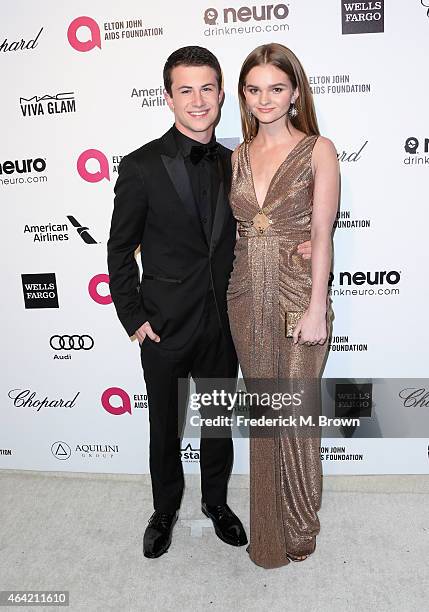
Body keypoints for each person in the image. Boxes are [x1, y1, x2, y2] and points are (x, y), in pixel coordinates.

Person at [107, 45, 312, 560]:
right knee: (164, 428)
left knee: (217, 425)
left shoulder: (238, 163)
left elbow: (267, 223)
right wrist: (134, 318)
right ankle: (164, 510)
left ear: (223, 95)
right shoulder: (140, 165)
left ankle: (216, 504)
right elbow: (117, 249)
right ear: (168, 97)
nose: (198, 100)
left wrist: (306, 245)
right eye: (185, 90)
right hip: (164, 326)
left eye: (207, 88)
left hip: (225, 322)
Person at [227, 43, 339, 569]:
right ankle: (268, 529)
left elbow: (322, 232)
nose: (264, 99)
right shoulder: (237, 156)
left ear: (295, 92)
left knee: (295, 412)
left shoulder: (319, 149)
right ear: (244, 97)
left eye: (276, 88)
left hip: (298, 294)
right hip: (246, 294)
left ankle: (302, 524)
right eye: (254, 90)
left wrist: (317, 306)